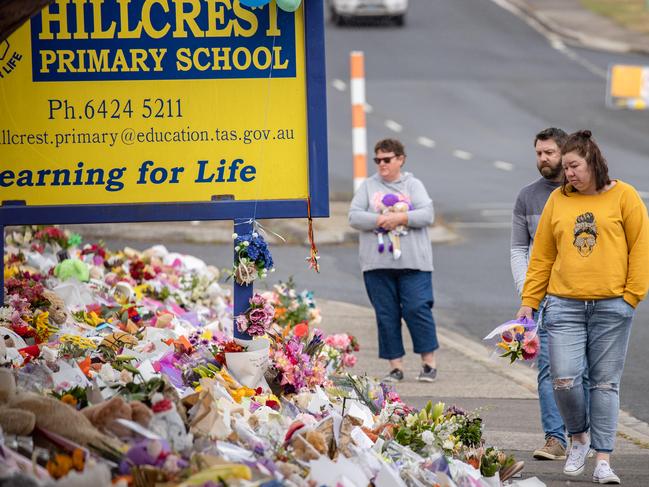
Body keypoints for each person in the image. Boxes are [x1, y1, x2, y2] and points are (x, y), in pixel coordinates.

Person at [516, 130, 649, 484]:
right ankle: (578, 438)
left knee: (605, 385)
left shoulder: (625, 196)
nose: (568, 173)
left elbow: (640, 248)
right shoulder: (558, 201)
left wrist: (631, 296)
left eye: (573, 166)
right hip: (564, 306)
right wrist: (529, 303)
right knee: (563, 379)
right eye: (566, 167)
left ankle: (603, 459)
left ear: (593, 162)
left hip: (612, 307)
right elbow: (542, 256)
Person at [511, 127, 589, 461]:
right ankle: (555, 438)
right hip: (544, 298)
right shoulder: (526, 196)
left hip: (585, 294)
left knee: (585, 371)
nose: (543, 159)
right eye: (539, 153)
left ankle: (584, 437)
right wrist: (528, 294)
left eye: (550, 153)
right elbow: (518, 249)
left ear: (565, 153)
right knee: (549, 370)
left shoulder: (584, 192)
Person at [349, 138, 439, 382]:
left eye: (387, 159)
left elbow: (426, 213)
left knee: (417, 308)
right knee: (386, 314)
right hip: (377, 265)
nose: (381, 164)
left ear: (400, 159)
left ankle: (428, 362)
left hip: (414, 263)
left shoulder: (413, 185)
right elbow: (354, 216)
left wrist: (399, 218)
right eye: (377, 160)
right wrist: (380, 220)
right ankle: (395, 366)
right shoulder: (368, 186)